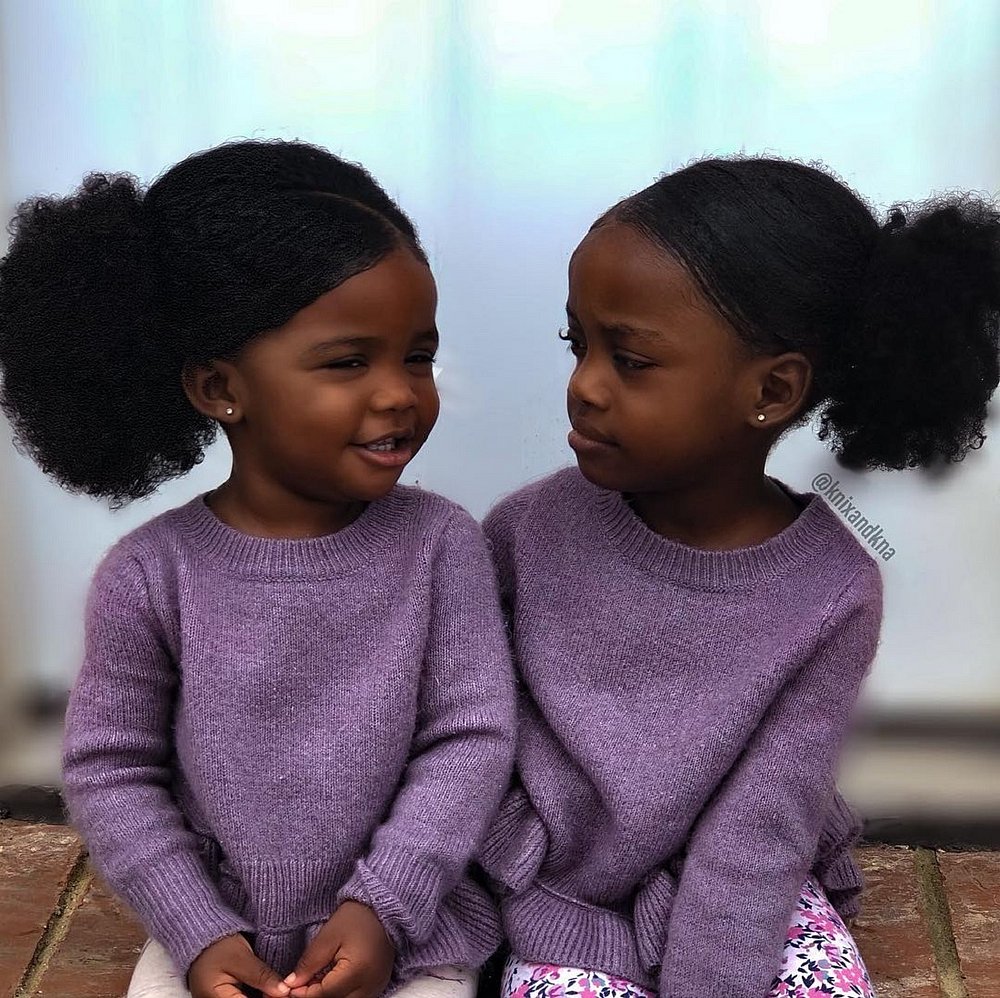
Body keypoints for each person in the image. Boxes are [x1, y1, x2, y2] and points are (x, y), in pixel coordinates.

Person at [0, 139, 515, 998]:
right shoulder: (151, 576)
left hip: (411, 936)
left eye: (417, 356)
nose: (400, 393)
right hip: (212, 937)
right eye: (348, 361)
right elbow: (112, 770)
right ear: (217, 388)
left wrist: (384, 907)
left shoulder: (441, 547)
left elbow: (471, 739)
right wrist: (197, 932)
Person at [478, 157, 999, 998]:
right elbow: (464, 721)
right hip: (564, 889)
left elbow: (762, 828)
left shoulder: (833, 592)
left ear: (773, 389)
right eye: (579, 345)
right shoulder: (527, 532)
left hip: (747, 887)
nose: (584, 387)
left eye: (630, 359)